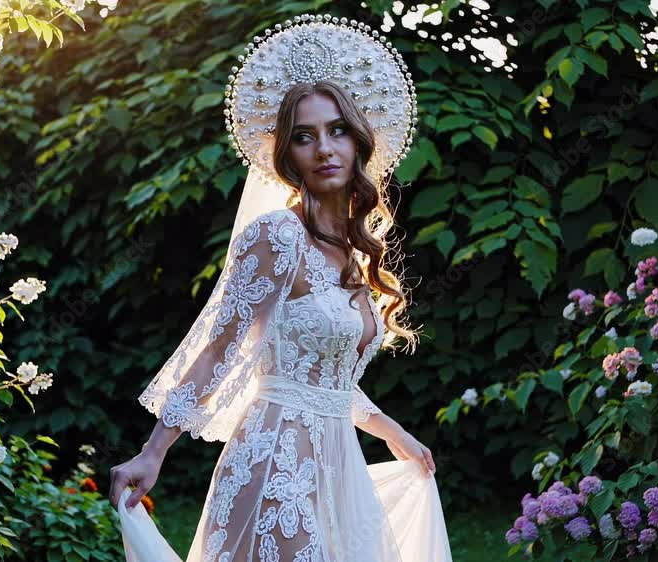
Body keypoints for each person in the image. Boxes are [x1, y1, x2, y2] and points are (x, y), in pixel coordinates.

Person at [110, 14, 453, 562]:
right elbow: (219, 351)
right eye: (304, 136)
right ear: (287, 155)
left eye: (337, 130)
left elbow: (323, 378)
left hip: (338, 471)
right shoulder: (276, 237)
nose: (324, 148)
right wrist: (152, 454)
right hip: (276, 467)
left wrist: (392, 432)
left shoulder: (359, 251)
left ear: (360, 140)